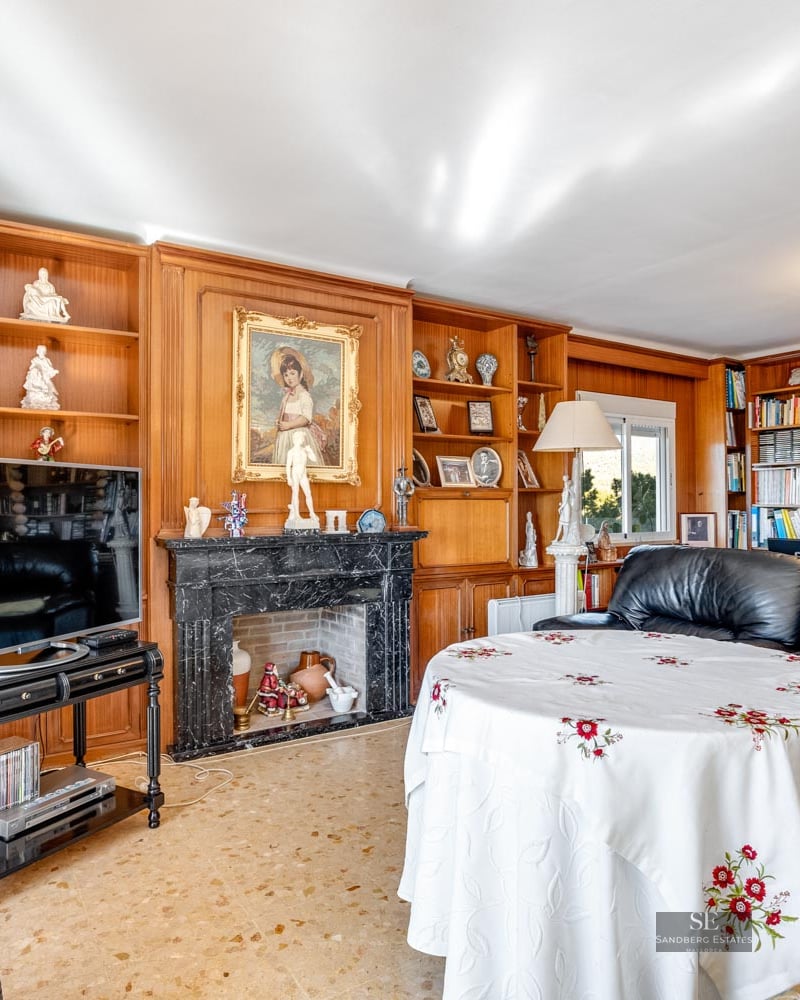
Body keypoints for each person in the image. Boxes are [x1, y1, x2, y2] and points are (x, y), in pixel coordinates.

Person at [271, 347, 325, 466]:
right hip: (284, 437)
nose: (289, 378)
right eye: (286, 375)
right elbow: (283, 413)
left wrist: (289, 425)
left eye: (292, 373)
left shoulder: (304, 396)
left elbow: (306, 418)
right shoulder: (287, 396)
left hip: (299, 436)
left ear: (300, 375)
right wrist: (279, 421)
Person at [286, 429, 318, 523]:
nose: (303, 440)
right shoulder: (291, 452)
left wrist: (310, 451)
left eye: (303, 438)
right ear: (297, 439)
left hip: (303, 473)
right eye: (302, 438)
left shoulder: (304, 450)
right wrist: (289, 478)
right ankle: (296, 515)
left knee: (308, 493)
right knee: (295, 494)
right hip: (295, 473)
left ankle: (312, 513)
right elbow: (288, 466)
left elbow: (314, 459)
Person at [21, 344, 60, 410]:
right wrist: (36, 368)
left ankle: (47, 396)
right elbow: (31, 367)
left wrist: (54, 371)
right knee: (35, 384)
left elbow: (49, 369)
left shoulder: (47, 360)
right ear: (37, 351)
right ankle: (36, 398)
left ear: (45, 352)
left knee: (48, 384)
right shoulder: (35, 359)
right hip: (36, 377)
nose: (42, 352)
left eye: (43, 351)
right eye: (40, 351)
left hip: (44, 376)